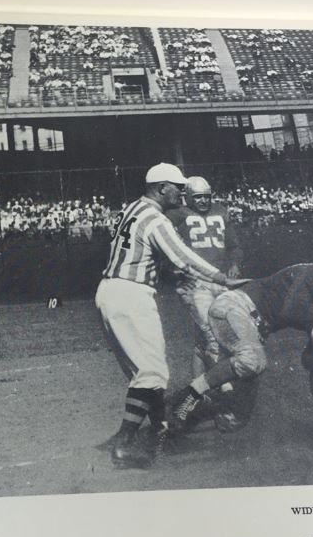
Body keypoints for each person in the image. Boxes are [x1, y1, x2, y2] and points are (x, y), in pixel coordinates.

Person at [96, 162, 244, 469]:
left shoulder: (133, 208)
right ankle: (124, 445)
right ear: (162, 188)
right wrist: (220, 277)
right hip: (131, 295)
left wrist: (171, 278)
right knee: (151, 374)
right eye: (177, 187)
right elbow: (183, 256)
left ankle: (162, 431)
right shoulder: (156, 218)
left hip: (110, 292)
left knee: (146, 372)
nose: (182, 192)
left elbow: (142, 255)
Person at [169, 258, 313, 435]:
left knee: (235, 418)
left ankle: (171, 425)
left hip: (252, 326)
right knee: (252, 361)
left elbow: (309, 359)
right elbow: (288, 312)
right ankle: (186, 398)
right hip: (237, 306)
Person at [166, 176, 243, 379]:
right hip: (196, 284)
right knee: (213, 336)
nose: (202, 201)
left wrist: (234, 264)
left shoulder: (220, 211)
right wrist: (175, 271)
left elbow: (234, 246)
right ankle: (223, 386)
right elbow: (166, 248)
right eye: (198, 197)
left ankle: (197, 392)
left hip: (220, 281)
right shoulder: (176, 214)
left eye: (206, 197)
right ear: (188, 197)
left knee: (205, 340)